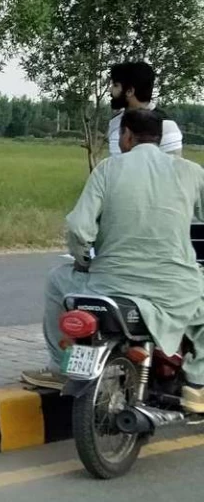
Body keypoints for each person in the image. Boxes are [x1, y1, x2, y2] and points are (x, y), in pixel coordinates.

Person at [22, 109, 204, 413]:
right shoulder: (192, 172)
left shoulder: (108, 168)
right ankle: (196, 385)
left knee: (57, 279)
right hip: (175, 291)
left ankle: (58, 366)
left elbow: (79, 227)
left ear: (127, 136)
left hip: (109, 286)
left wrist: (83, 261)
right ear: (159, 138)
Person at [107, 61, 182, 157]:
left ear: (130, 91)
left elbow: (173, 165)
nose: (110, 90)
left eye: (115, 85)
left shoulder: (166, 125)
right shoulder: (115, 123)